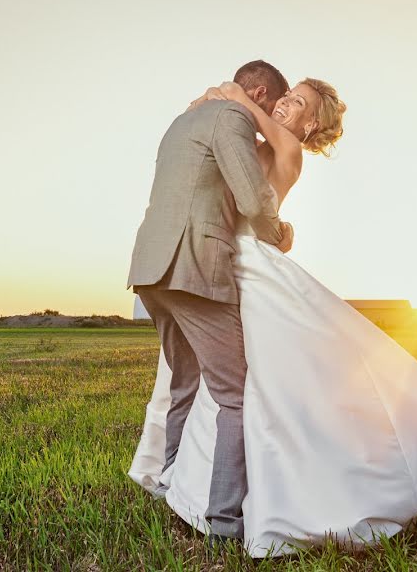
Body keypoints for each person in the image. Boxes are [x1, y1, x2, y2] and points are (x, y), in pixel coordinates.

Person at [129, 64, 417, 557]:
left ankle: (251, 502)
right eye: (287, 98)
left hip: (243, 264)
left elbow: (253, 191)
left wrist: (231, 94)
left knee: (255, 386)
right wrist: (226, 102)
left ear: (309, 126)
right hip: (220, 264)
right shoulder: (254, 138)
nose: (285, 105)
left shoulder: (288, 149)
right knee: (222, 384)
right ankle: (192, 488)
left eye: (298, 103)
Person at [126, 59, 294, 546]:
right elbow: (252, 198)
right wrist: (280, 236)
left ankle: (171, 486)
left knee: (184, 384)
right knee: (235, 394)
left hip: (151, 268)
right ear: (259, 93)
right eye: (272, 103)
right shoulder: (231, 118)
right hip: (195, 266)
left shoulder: (182, 120)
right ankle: (223, 521)